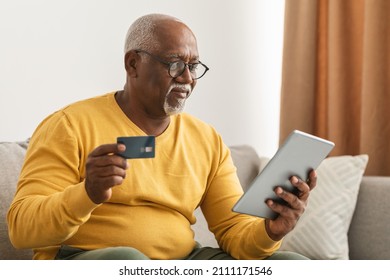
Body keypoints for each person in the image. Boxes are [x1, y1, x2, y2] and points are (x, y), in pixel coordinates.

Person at [7, 13, 316, 260]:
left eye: (194, 66)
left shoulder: (206, 139)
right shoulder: (69, 125)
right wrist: (87, 193)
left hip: (182, 263)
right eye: (175, 64)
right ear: (133, 64)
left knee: (293, 266)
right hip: (89, 259)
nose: (188, 78)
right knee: (128, 259)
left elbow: (235, 234)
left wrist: (271, 231)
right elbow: (21, 230)